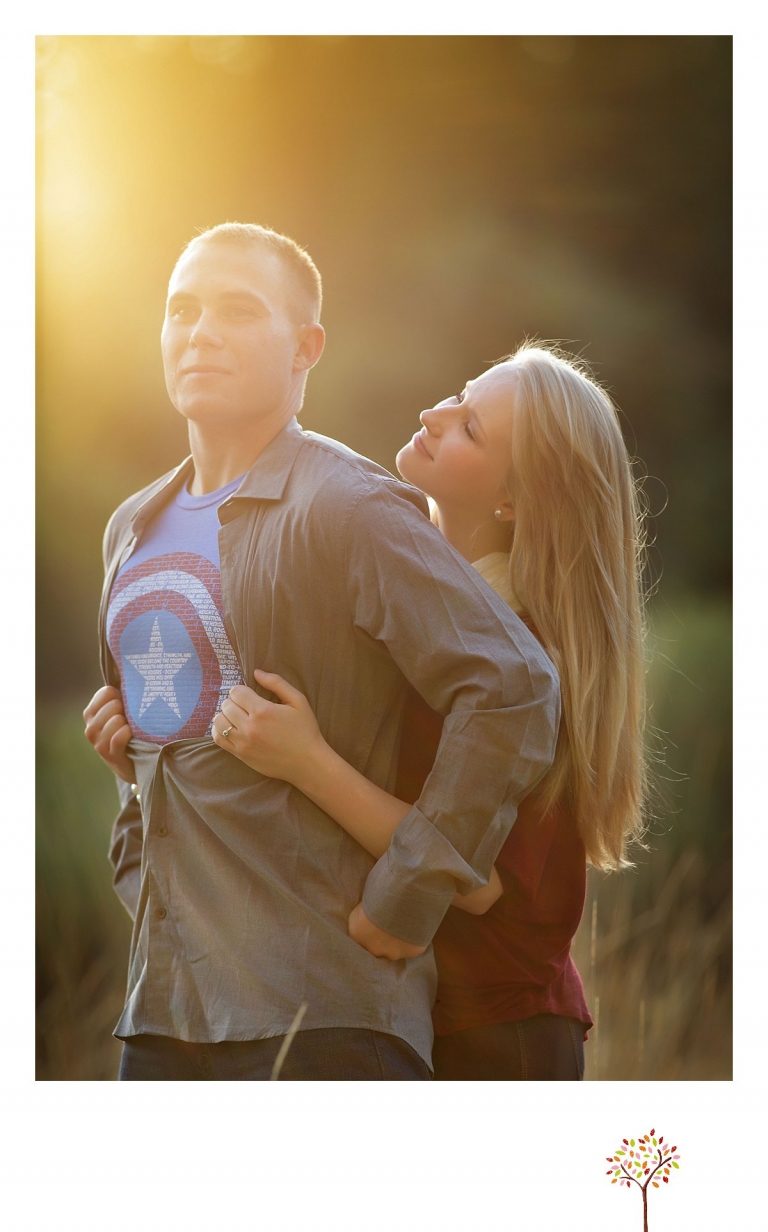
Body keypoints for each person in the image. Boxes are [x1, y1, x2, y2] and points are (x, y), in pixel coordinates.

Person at [82, 222, 560, 1081]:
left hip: (327, 1017)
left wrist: (409, 899)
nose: (201, 332)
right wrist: (128, 782)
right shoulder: (129, 530)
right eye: (181, 310)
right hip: (162, 1017)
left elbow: (515, 687)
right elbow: (161, 768)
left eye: (237, 310)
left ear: (307, 348)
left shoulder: (352, 506)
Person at [191, 342, 648, 1079]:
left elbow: (476, 883)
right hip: (434, 1013)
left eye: (470, 427)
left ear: (513, 499)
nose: (435, 416)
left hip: (502, 1031)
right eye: (457, 395)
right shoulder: (419, 612)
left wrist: (309, 763)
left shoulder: (509, 656)